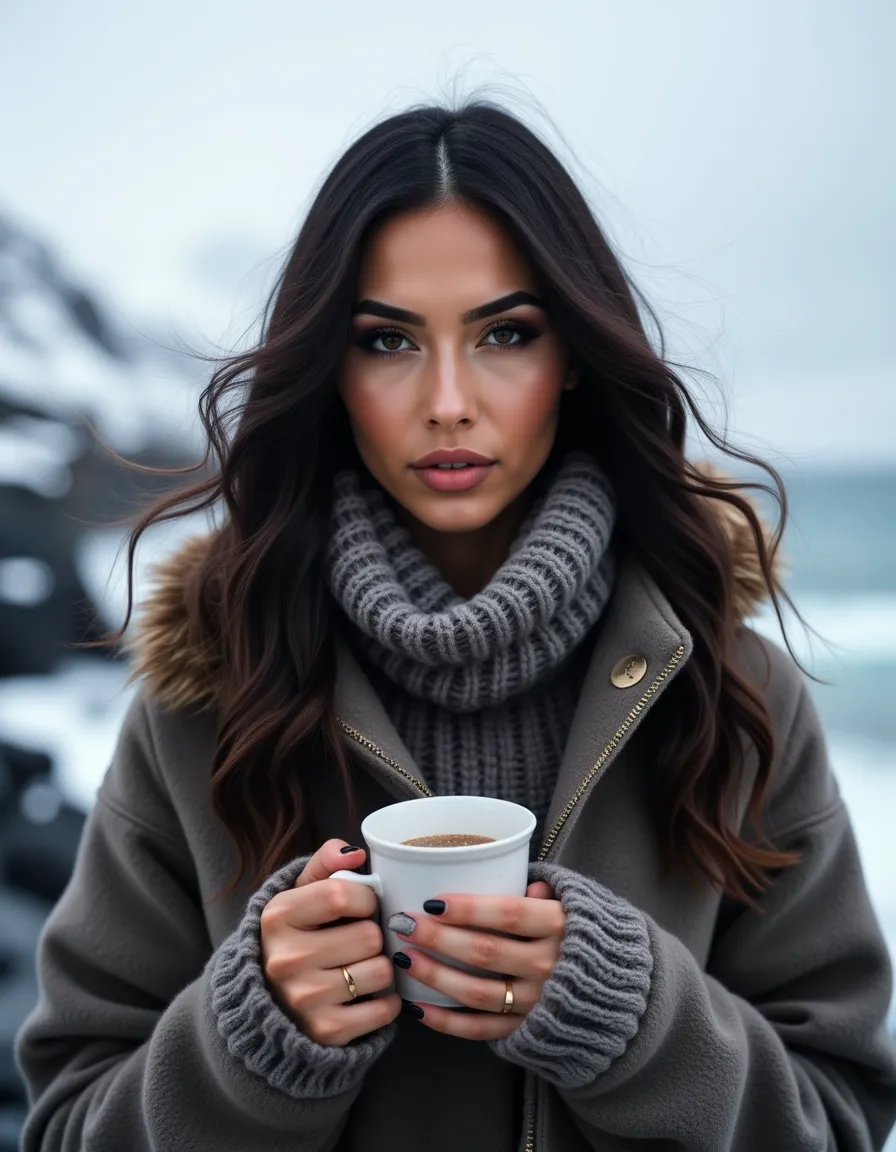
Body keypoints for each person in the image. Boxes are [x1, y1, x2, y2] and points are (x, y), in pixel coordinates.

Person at [15, 101, 896, 1152]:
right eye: (385, 340)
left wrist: (634, 1021)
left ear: (570, 354)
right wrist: (247, 1040)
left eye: (504, 335)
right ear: (331, 373)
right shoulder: (201, 703)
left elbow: (841, 1116)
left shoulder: (730, 687)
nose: (445, 400)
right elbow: (68, 1124)